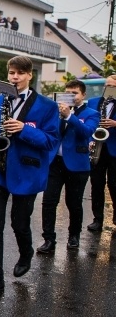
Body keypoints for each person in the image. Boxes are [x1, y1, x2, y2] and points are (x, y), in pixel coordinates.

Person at [0, 56, 60, 298]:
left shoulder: (47, 106)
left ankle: (26, 252)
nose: (15, 77)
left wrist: (24, 130)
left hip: (27, 171)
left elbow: (51, 141)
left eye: (20, 73)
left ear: (29, 75)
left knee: (19, 222)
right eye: (11, 73)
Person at [38, 80, 97, 253]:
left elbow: (86, 132)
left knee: (74, 203)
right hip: (55, 162)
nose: (71, 96)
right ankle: (48, 239)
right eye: (68, 93)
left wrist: (70, 116)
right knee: (49, 202)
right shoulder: (55, 112)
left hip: (77, 165)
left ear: (83, 95)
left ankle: (74, 236)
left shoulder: (91, 113)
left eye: (75, 93)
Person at [86, 74, 116, 233]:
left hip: (114, 149)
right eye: (106, 85)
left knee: (114, 184)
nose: (107, 88)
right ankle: (97, 219)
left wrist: (115, 123)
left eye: (111, 86)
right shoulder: (93, 102)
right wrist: (90, 139)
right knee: (96, 185)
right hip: (98, 146)